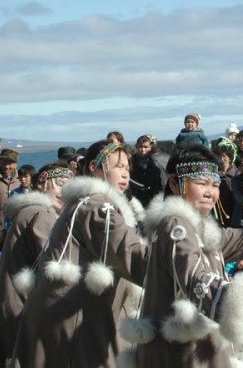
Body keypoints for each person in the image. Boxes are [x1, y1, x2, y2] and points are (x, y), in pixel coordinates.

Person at [121, 144, 243, 367]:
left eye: (215, 185)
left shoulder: (197, 227)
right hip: (184, 353)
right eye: (201, 183)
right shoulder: (177, 226)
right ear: (175, 183)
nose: (210, 192)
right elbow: (196, 278)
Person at [10, 141, 149, 368]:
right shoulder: (95, 206)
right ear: (93, 168)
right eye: (117, 166)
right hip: (72, 319)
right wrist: (175, 262)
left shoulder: (84, 204)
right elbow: (131, 255)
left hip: (65, 313)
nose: (125, 173)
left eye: (127, 167)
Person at [0, 163, 74, 368]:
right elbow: (55, 260)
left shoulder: (30, 211)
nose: (64, 192)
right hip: (21, 307)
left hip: (10, 301)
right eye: (59, 185)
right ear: (41, 185)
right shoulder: (42, 213)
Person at [130, 135, 164, 207]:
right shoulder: (129, 163)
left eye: (145, 147)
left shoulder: (156, 164)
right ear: (136, 146)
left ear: (150, 147)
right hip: (134, 200)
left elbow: (161, 184)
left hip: (151, 200)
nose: (143, 150)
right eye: (140, 147)